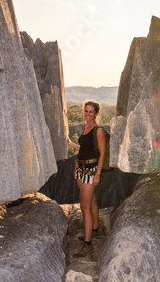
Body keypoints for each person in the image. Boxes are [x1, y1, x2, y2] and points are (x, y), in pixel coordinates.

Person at [67, 100, 106, 257]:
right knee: (92, 201)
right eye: (86, 111)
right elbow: (85, 148)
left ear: (96, 113)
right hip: (81, 169)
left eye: (91, 112)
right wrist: (71, 144)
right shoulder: (85, 128)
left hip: (91, 171)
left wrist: (97, 174)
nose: (87, 114)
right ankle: (94, 230)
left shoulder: (98, 130)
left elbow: (102, 153)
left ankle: (88, 244)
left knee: (84, 207)